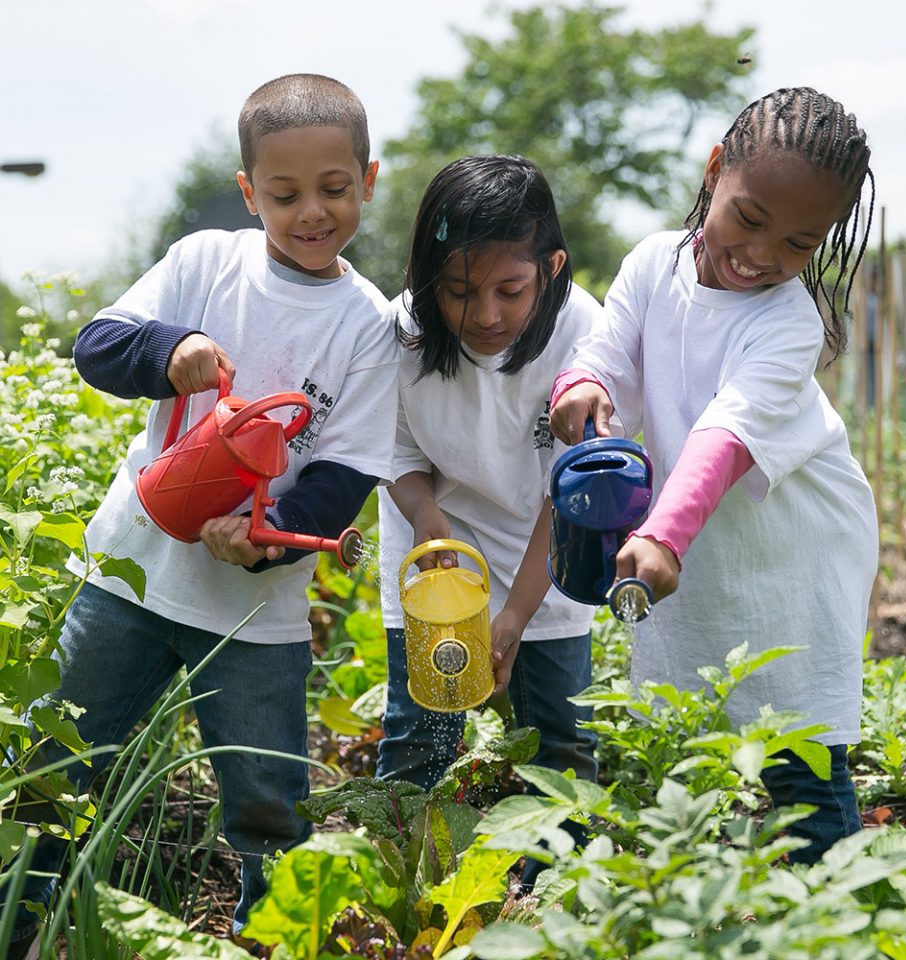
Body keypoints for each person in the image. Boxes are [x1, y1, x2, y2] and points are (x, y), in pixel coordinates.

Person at [6, 73, 398, 958]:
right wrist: (170, 348)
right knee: (57, 771)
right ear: (249, 190)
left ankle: (264, 941)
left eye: (334, 191)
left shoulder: (370, 327)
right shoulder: (203, 264)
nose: (312, 213)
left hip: (257, 617)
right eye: (286, 194)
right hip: (130, 574)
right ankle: (19, 925)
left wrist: (266, 539)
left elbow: (347, 468)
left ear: (367, 182)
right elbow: (96, 345)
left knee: (267, 803)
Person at [550, 87, 878, 865]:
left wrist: (663, 532)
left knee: (800, 748)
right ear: (715, 170)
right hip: (701, 544)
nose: (763, 254)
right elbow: (602, 355)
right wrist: (582, 388)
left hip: (792, 552)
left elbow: (723, 438)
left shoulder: (787, 321)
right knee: (688, 745)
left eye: (800, 243)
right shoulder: (650, 264)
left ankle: (834, 914)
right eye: (750, 217)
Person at [374, 156, 603, 847]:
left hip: (547, 555)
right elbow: (396, 454)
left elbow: (569, 496)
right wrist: (426, 517)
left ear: (553, 266)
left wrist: (516, 615)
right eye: (459, 291)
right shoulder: (402, 333)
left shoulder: (585, 337)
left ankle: (556, 902)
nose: (485, 314)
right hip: (436, 555)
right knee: (420, 739)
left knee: (558, 748)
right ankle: (409, 888)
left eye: (510, 289)